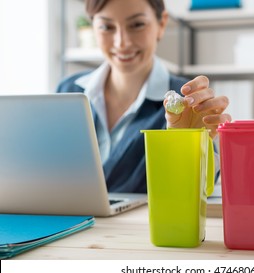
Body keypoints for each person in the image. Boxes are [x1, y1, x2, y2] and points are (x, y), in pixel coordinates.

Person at [57, 0, 231, 193]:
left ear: (161, 24)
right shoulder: (68, 90)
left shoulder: (186, 101)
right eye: (107, 27)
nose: (121, 42)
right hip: (71, 223)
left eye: (137, 25)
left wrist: (189, 145)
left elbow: (200, 187)